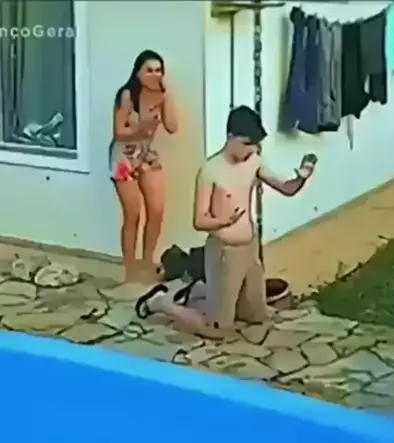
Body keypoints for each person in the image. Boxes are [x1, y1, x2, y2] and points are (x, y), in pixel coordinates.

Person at [134, 105, 317, 336]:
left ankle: (202, 292)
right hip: (224, 252)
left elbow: (286, 188)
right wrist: (222, 221)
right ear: (231, 137)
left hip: (249, 250)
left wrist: (301, 178)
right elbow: (199, 221)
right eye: (247, 143)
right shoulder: (210, 170)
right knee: (219, 329)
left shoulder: (254, 162)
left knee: (257, 317)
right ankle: (161, 302)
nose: (252, 149)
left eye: (255, 144)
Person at [111, 50, 178, 283]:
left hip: (146, 154)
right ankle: (130, 269)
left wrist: (166, 95)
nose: (154, 74)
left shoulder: (161, 96)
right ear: (138, 72)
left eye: (158, 70)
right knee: (133, 214)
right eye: (149, 70)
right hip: (124, 157)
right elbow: (119, 133)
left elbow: (172, 127)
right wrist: (143, 128)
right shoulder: (127, 95)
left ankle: (147, 262)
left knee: (156, 211)